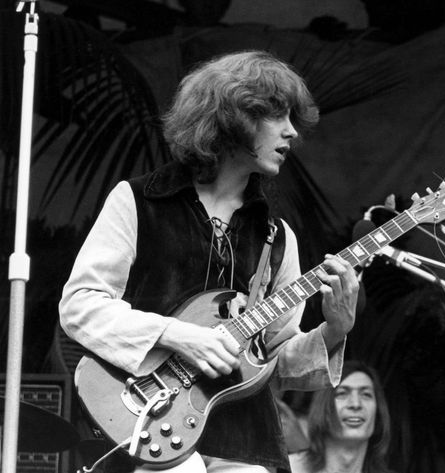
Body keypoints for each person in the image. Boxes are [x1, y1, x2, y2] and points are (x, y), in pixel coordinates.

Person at [59, 50, 360, 473]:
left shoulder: (277, 238)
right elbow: (80, 305)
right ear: (232, 116)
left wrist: (336, 328)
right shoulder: (139, 201)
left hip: (244, 441)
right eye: (278, 116)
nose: (293, 132)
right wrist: (178, 335)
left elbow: (278, 361)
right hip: (148, 424)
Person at [289, 360, 393, 473]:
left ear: (377, 414)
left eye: (366, 395)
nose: (356, 404)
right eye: (342, 393)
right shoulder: (289, 469)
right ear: (322, 408)